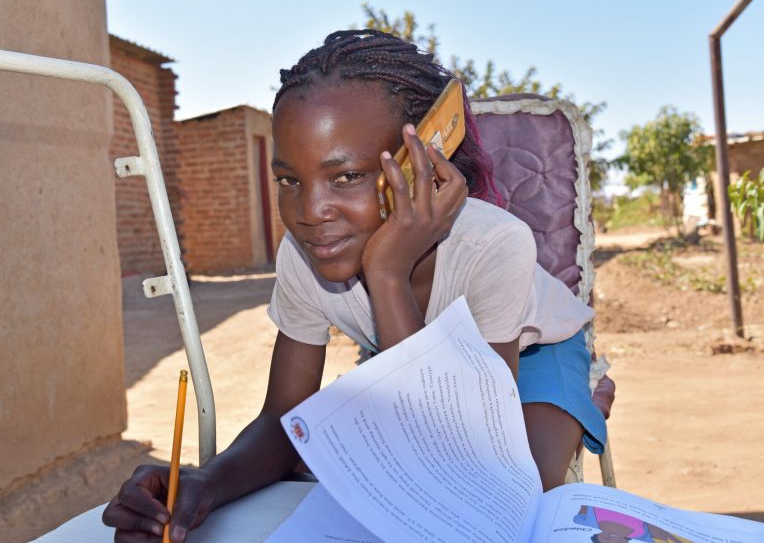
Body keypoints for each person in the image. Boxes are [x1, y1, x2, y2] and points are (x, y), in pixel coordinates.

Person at [102, 29, 607, 542]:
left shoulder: (494, 244)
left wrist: (386, 271)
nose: (310, 213)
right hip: (406, 350)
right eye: (289, 180)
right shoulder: (305, 253)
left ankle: (565, 408)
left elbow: (470, 459)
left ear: (421, 165)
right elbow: (282, 417)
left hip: (533, 348)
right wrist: (203, 485)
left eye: (346, 177)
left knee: (519, 499)